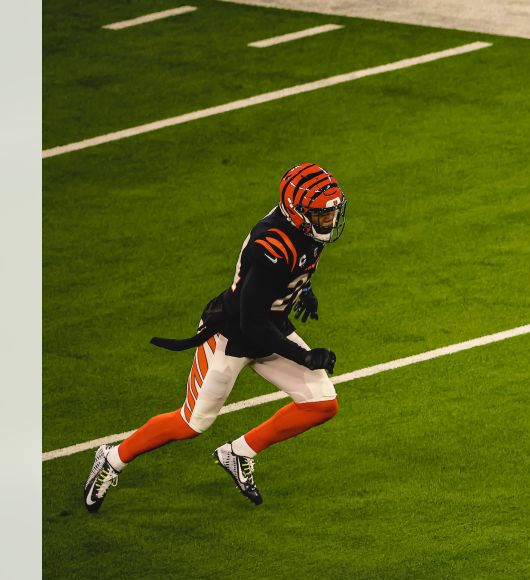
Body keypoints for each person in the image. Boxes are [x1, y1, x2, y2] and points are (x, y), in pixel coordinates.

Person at [82, 164, 348, 512]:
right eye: (321, 213)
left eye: (331, 211)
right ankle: (112, 458)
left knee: (321, 403)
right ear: (296, 212)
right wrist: (305, 358)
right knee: (192, 422)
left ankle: (238, 453)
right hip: (231, 335)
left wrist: (304, 288)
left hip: (269, 326)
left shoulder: (300, 231)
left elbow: (295, 267)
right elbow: (251, 321)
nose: (328, 219)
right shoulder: (273, 246)